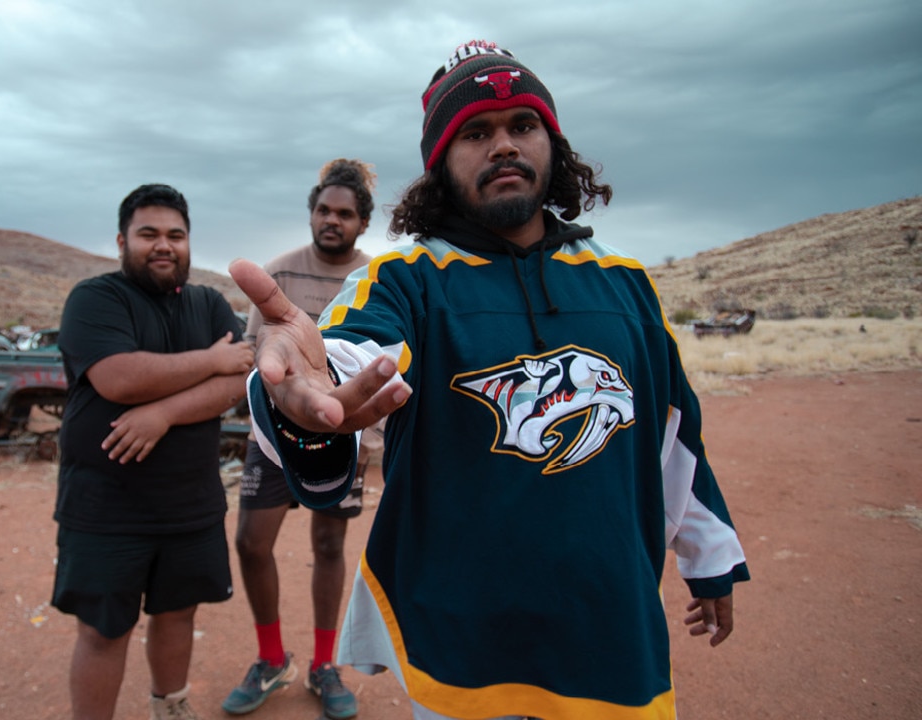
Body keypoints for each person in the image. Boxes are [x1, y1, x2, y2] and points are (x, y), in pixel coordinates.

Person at [229, 40, 750, 720]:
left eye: (522, 126)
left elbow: (675, 427)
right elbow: (349, 355)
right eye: (476, 132)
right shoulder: (407, 280)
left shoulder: (625, 285)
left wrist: (708, 552)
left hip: (608, 621)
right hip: (462, 627)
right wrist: (307, 395)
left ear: (553, 145)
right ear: (440, 165)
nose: (503, 145)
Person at [51, 184, 254, 720]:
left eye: (175, 235)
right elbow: (118, 376)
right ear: (122, 241)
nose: (163, 245)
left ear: (189, 243)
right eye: (149, 234)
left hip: (189, 503)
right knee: (102, 630)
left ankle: (171, 707)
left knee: (178, 613)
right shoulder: (96, 299)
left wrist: (162, 413)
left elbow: (238, 383)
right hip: (104, 506)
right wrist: (210, 361)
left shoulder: (210, 303)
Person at [222, 159, 378, 719]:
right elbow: (249, 353)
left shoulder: (376, 277)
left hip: (344, 438)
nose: (331, 221)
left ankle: (323, 664)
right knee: (250, 541)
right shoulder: (279, 274)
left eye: (344, 213)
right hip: (271, 436)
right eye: (323, 210)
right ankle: (270, 658)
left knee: (330, 547)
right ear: (310, 213)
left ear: (362, 222)